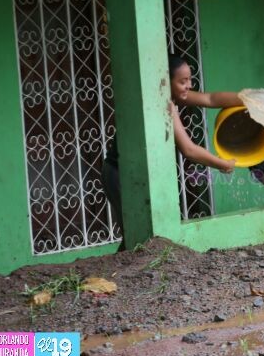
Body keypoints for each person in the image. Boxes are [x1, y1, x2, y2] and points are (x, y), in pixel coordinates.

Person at [101, 55, 244, 234]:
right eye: (183, 81)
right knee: (137, 235)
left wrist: (249, 99)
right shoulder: (163, 104)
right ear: (166, 81)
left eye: (190, 79)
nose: (189, 85)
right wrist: (223, 164)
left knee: (140, 237)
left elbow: (211, 99)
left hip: (132, 172)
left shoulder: (170, 94)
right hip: (119, 173)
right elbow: (189, 150)